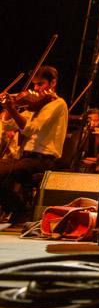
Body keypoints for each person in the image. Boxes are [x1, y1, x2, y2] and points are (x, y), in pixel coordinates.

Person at [0, 66, 69, 225]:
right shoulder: (34, 104)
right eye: (34, 84)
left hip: (43, 159)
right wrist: (13, 107)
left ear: (53, 83)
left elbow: (30, 128)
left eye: (41, 84)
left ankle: (21, 209)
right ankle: (18, 208)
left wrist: (12, 108)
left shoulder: (56, 104)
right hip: (26, 159)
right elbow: (9, 126)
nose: (36, 89)